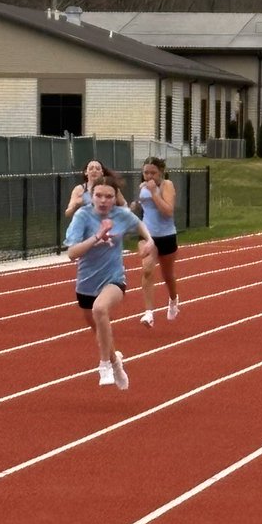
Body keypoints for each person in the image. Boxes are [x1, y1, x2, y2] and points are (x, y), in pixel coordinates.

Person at [64, 177, 156, 389]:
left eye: (109, 196)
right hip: (86, 283)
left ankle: (104, 364)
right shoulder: (82, 216)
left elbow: (140, 224)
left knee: (100, 309)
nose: (103, 200)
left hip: (114, 279)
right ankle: (115, 362)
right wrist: (97, 236)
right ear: (91, 196)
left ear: (115, 198)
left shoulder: (121, 215)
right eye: (99, 195)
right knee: (100, 329)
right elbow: (71, 253)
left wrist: (149, 242)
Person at [134, 156, 180, 327]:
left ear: (161, 172)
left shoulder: (167, 185)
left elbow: (167, 211)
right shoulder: (142, 186)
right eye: (146, 172)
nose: (149, 176)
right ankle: (148, 313)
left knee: (168, 275)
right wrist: (135, 205)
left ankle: (174, 299)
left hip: (166, 235)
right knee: (147, 269)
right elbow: (145, 208)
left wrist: (154, 193)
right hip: (148, 235)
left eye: (153, 172)